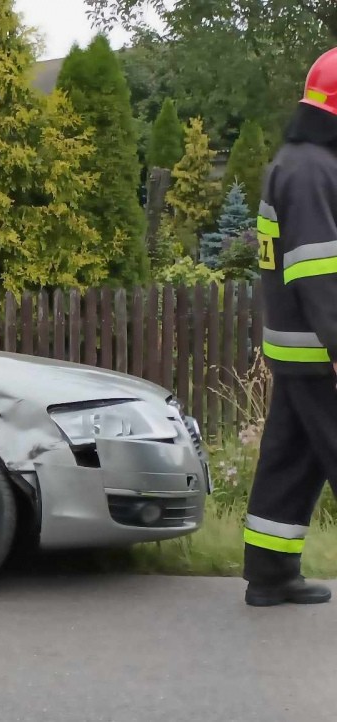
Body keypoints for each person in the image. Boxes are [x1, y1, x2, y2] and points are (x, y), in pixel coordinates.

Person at [240, 48, 337, 607]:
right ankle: (272, 575)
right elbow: (322, 273)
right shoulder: (313, 170)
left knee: (289, 460)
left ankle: (270, 575)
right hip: (322, 351)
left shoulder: (300, 163)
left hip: (299, 350)